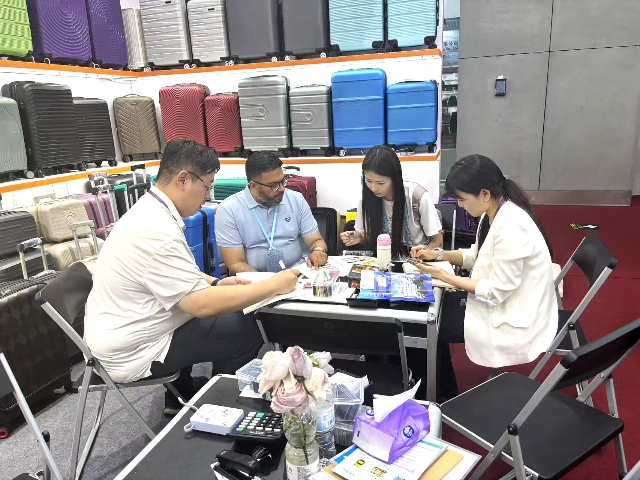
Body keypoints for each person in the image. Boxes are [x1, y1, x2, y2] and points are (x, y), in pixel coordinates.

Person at [84, 140, 299, 415]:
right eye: (207, 187)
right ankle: (220, 410)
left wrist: (216, 283)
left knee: (225, 314)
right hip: (132, 351)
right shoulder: (156, 230)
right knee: (244, 330)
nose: (207, 197)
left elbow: (172, 272)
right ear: (183, 179)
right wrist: (273, 286)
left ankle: (184, 393)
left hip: (123, 331)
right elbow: (200, 305)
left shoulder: (150, 210)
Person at [411, 154, 557, 401]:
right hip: (504, 300)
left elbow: (494, 292)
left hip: (514, 318)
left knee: (427, 324)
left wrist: (445, 277)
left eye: (462, 199)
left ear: (485, 194)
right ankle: (440, 390)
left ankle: (437, 395)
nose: (460, 205)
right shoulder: (494, 213)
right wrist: (437, 254)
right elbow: (476, 256)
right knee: (430, 315)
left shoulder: (511, 227)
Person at [215, 151, 329, 274]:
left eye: (283, 181)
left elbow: (316, 241)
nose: (282, 188)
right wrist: (271, 283)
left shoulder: (296, 199)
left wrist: (318, 250)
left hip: (298, 272)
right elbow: (236, 264)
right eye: (274, 185)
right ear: (253, 186)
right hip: (256, 280)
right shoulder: (228, 210)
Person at [340, 145, 443, 259]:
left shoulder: (418, 198)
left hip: (417, 260)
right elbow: (370, 238)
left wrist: (422, 255)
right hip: (384, 259)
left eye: (380, 183)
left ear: (395, 179)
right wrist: (360, 238)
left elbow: (438, 241)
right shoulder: (367, 199)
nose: (374, 188)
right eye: (368, 181)